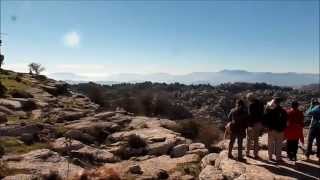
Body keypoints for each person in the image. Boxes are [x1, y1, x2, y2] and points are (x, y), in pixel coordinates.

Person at [264, 97, 287, 163]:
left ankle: (270, 157)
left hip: (271, 129)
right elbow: (285, 121)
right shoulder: (283, 111)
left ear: (274, 103)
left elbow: (266, 117)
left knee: (270, 144)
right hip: (280, 130)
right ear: (280, 103)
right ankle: (278, 158)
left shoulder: (270, 110)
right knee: (279, 144)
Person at [246, 93, 264, 158]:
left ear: (250, 99)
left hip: (252, 124)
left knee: (249, 139)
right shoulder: (261, 104)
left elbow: (250, 115)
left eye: (248, 99)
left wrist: (249, 124)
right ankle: (256, 154)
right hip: (259, 123)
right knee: (256, 139)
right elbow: (262, 114)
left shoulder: (251, 105)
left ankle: (247, 153)